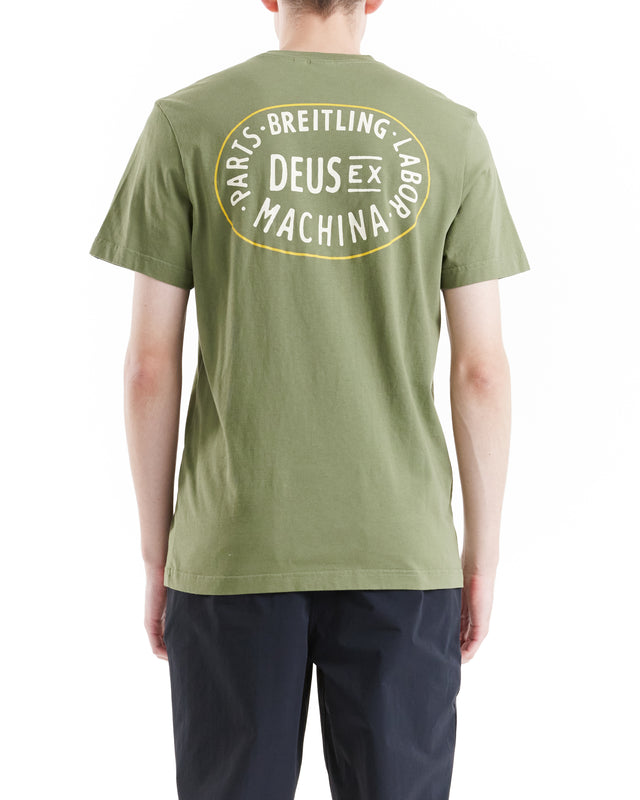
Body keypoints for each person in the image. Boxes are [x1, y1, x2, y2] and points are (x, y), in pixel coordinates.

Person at [89, 0, 530, 797]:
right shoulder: (450, 132)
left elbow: (149, 366)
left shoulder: (187, 122)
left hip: (232, 545)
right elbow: (482, 372)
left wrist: (159, 554)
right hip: (400, 548)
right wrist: (482, 558)